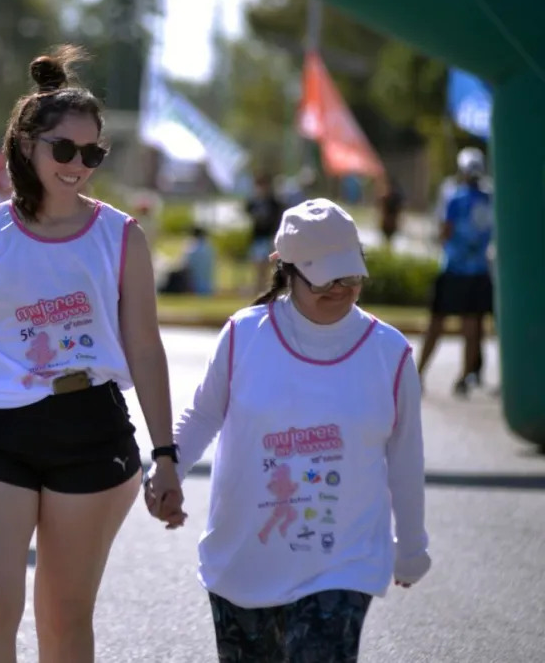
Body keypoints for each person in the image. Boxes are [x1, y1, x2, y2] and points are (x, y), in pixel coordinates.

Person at [0, 45, 185, 663]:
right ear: (26, 146)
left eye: (92, 153)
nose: (78, 164)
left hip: (92, 432)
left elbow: (145, 348)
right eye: (64, 149)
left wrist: (165, 455)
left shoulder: (121, 236)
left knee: (63, 619)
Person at [144, 198, 431, 662]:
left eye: (350, 275)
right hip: (244, 564)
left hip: (342, 565)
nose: (340, 288)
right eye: (325, 278)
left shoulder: (389, 353)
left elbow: (405, 456)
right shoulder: (244, 334)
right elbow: (201, 416)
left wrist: (412, 545)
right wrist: (168, 468)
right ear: (287, 270)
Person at [417, 147, 493, 396]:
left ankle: (418, 373)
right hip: (479, 270)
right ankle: (464, 377)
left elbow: (445, 231)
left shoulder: (455, 197)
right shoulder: (490, 198)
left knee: (436, 323)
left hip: (453, 269)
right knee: (472, 327)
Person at [245, 173, 285, 294]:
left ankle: (267, 291)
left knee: (267, 267)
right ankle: (259, 290)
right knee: (258, 266)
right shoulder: (254, 202)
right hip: (257, 238)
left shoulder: (273, 202)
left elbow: (277, 219)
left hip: (268, 238)